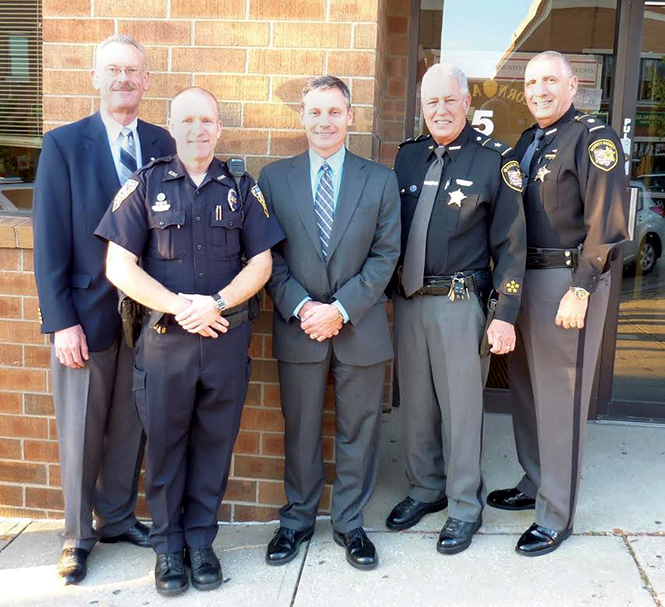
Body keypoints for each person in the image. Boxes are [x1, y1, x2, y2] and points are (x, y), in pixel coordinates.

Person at [94, 86, 285, 596]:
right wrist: (181, 306)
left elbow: (262, 263)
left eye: (207, 121)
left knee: (214, 446)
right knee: (163, 448)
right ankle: (167, 550)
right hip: (164, 343)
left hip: (224, 340)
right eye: (187, 121)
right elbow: (119, 266)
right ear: (172, 128)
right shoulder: (144, 184)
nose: (198, 130)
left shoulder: (242, 188)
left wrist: (216, 303)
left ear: (219, 128)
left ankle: (201, 543)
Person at [33, 35, 175, 585]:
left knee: (130, 424)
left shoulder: (163, 143)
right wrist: (59, 320)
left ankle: (116, 516)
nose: (123, 79)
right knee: (81, 430)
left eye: (133, 71)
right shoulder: (64, 145)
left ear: (145, 81)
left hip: (146, 320)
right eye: (113, 70)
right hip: (84, 317)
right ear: (96, 78)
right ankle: (75, 534)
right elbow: (47, 242)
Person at [487, 51, 628, 556]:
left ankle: (557, 513)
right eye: (531, 82)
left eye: (550, 79)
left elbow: (608, 221)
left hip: (567, 280)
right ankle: (535, 482)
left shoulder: (593, 137)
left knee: (561, 398)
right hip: (524, 280)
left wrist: (584, 285)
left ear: (572, 85)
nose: (539, 89)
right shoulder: (528, 140)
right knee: (525, 389)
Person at [386, 63, 526, 555]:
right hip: (408, 301)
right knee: (416, 407)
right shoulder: (407, 158)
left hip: (459, 301)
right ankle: (425, 489)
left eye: (449, 100)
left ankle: (465, 505)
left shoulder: (494, 161)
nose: (440, 110)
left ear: (467, 103)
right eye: (431, 102)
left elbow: (512, 243)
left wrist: (505, 312)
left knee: (462, 412)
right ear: (421, 107)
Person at [261, 76, 400, 571]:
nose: (324, 122)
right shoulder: (273, 179)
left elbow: (386, 257)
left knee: (358, 431)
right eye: (315, 112)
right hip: (298, 326)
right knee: (299, 430)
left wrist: (339, 310)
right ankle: (297, 521)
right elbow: (266, 259)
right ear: (302, 117)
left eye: (334, 112)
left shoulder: (379, 180)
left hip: (359, 328)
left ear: (350, 117)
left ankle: (349, 523)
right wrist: (303, 308)